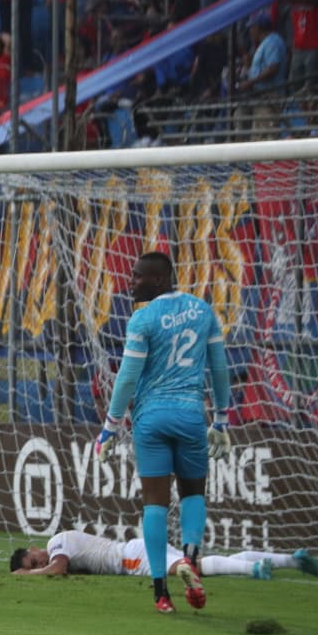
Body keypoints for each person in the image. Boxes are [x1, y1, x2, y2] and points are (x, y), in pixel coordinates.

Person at [95, 251, 230, 614]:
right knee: (192, 493)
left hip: (151, 419)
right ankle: (189, 558)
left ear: (158, 279)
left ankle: (161, 593)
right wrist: (221, 419)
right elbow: (219, 368)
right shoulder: (203, 311)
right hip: (190, 415)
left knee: (154, 503)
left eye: (137, 276)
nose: (131, 283)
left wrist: (110, 427)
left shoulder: (143, 318)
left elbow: (127, 377)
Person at [10, 530, 318, 584]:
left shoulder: (56, 543)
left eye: (35, 561)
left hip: (131, 559)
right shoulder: (62, 549)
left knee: (191, 569)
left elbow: (57, 569)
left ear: (33, 548)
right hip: (135, 551)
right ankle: (291, 560)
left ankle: (253, 569)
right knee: (205, 561)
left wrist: (27, 576)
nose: (40, 564)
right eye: (34, 566)